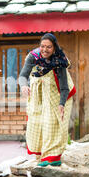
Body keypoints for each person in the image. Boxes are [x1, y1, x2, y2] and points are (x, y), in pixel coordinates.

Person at [19, 33, 76, 167]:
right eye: (42, 46)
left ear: (54, 48)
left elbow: (64, 88)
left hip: (57, 94)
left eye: (49, 47)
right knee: (37, 122)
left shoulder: (59, 61)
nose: (45, 50)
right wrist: (23, 85)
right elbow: (23, 75)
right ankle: (40, 154)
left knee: (52, 122)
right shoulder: (33, 57)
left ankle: (51, 157)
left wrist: (61, 104)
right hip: (39, 95)